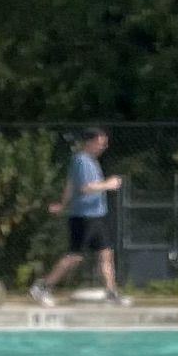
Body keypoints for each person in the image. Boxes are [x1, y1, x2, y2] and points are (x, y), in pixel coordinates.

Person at [34, 129, 124, 301]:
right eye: (100, 143)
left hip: (97, 215)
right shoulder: (81, 160)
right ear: (89, 142)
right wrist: (108, 184)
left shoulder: (89, 161)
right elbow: (86, 187)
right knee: (74, 256)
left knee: (106, 253)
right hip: (84, 217)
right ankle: (43, 287)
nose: (103, 147)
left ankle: (111, 292)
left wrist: (62, 204)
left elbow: (69, 185)